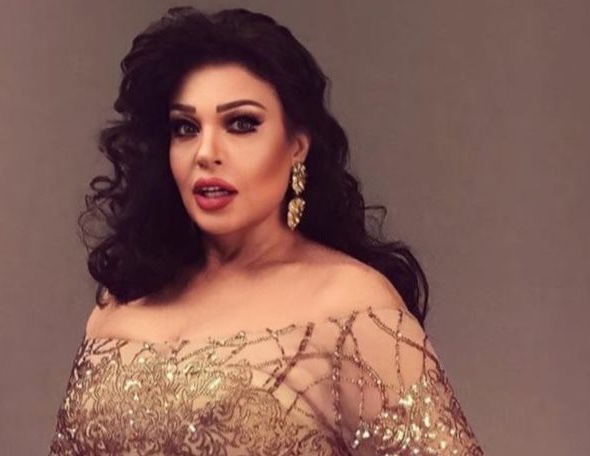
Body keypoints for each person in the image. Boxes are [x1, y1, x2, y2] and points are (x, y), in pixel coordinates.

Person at [49, 6, 483, 455]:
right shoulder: (121, 302)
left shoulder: (351, 308)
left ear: (297, 145)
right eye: (185, 128)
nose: (206, 152)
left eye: (242, 124)